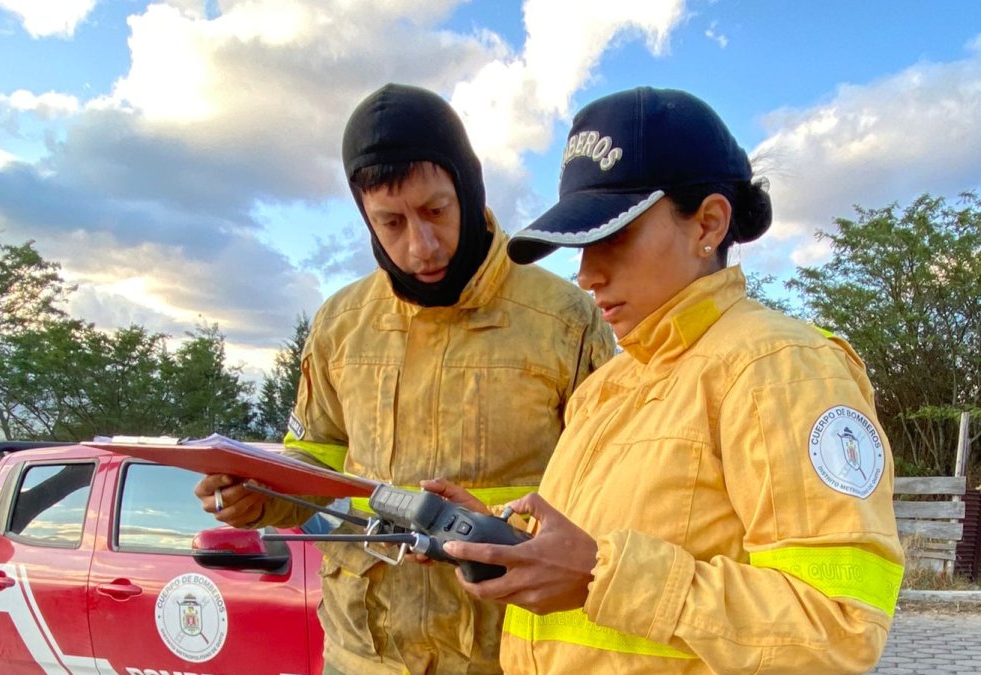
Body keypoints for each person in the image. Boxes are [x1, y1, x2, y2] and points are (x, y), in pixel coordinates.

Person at [442, 86, 904, 673]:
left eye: (611, 236)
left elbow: (840, 627)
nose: (586, 274)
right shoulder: (608, 387)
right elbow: (592, 548)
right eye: (579, 246)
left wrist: (601, 578)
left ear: (708, 223)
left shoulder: (780, 370)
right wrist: (494, 534)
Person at [195, 83, 614, 674]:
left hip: (509, 657)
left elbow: (615, 488)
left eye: (436, 210)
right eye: (390, 222)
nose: (420, 245)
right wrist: (261, 498)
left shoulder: (567, 320)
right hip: (362, 655)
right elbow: (315, 465)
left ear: (469, 188)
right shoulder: (340, 323)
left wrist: (489, 530)